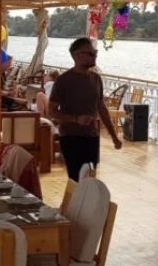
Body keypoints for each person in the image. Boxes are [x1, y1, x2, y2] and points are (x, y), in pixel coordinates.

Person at [49, 38, 122, 181]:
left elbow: (102, 109)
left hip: (91, 136)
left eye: (95, 53)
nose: (95, 56)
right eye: (91, 53)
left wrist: (114, 136)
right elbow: (51, 111)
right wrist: (76, 119)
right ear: (77, 55)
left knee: (90, 180)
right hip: (70, 137)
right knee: (76, 179)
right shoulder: (63, 80)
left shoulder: (96, 79)